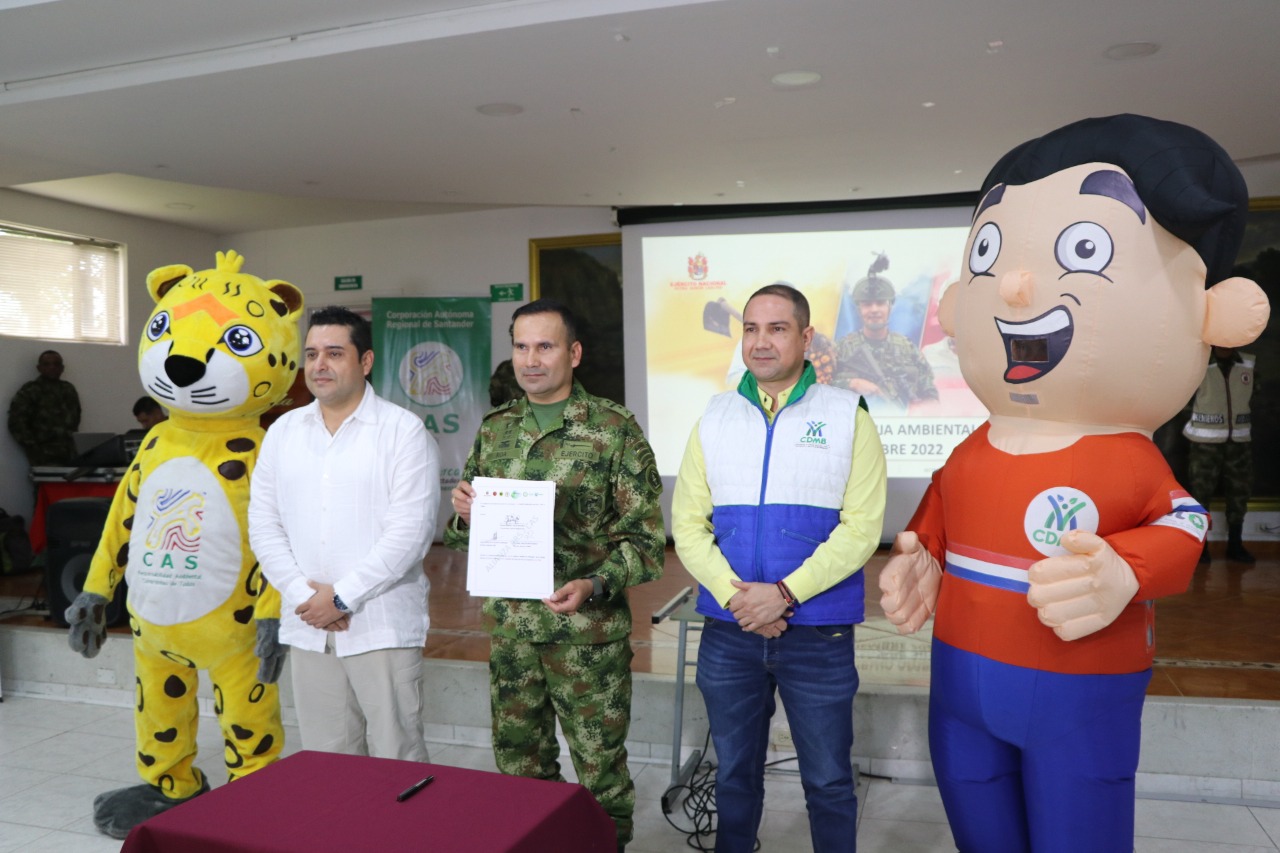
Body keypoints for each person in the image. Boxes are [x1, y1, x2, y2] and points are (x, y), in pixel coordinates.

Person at [879, 115, 1270, 853]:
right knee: (978, 827)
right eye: (990, 252)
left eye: (1082, 250)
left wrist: (1127, 567)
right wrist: (920, 555)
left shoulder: (1127, 456)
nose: (1017, 283)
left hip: (1080, 688)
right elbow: (937, 512)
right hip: (959, 685)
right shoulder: (970, 449)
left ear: (1212, 313)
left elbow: (1182, 524)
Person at [672, 282, 887, 853]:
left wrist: (784, 595)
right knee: (734, 774)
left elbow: (863, 527)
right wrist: (740, 598)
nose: (761, 342)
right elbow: (688, 525)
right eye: (750, 329)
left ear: (806, 336)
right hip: (730, 631)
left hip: (818, 633)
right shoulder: (714, 417)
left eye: (777, 328)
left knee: (829, 780)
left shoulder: (847, 415)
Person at [444, 299, 665, 853]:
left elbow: (645, 542)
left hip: (585, 639)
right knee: (519, 772)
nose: (530, 360)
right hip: (514, 636)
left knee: (600, 779)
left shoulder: (614, 431)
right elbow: (464, 532)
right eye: (521, 346)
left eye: (545, 347)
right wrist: (464, 513)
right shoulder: (497, 430)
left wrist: (593, 584)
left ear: (574, 353)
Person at [248, 305, 439, 760]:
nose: (319, 365)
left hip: (381, 625)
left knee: (398, 755)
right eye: (312, 354)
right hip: (307, 624)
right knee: (326, 759)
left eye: (334, 353)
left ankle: (403, 836)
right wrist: (304, 595)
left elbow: (410, 534)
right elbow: (263, 523)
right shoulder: (283, 431)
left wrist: (340, 597)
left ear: (365, 362)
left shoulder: (402, 431)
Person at [1184, 346, 1259, 564]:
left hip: (1239, 444)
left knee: (1239, 494)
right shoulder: (1198, 362)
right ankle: (1201, 548)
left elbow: (1254, 392)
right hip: (1204, 444)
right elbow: (1184, 399)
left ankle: (1235, 545)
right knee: (1200, 496)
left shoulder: (1248, 363)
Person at [832, 268, 937, 411]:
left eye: (880, 303)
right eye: (867, 304)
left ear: (890, 307)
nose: (874, 310)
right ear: (858, 310)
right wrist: (852, 383)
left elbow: (930, 395)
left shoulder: (909, 349)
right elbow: (818, 388)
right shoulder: (841, 349)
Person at [8, 349, 81, 465]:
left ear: (62, 368)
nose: (52, 367)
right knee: (47, 483)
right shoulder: (30, 391)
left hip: (69, 454)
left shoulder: (69, 390)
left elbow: (76, 418)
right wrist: (33, 448)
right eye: (47, 364)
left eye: (56, 364)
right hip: (43, 456)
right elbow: (16, 423)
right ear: (39, 368)